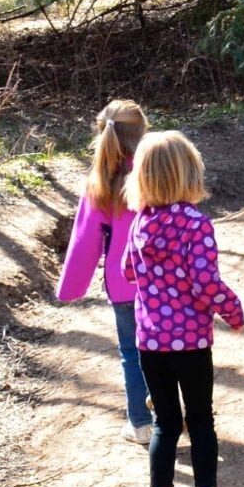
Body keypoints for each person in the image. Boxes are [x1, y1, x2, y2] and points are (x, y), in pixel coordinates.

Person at [123, 130, 244, 487]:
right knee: (201, 421)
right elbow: (205, 283)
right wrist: (232, 309)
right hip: (190, 342)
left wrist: (154, 278)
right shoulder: (195, 223)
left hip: (150, 342)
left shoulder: (140, 221)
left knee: (165, 423)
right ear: (189, 173)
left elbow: (126, 271)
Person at [55, 100, 152, 443]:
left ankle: (140, 424)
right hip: (165, 281)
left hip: (123, 284)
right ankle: (173, 414)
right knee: (168, 348)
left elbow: (84, 240)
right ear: (143, 134)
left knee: (131, 351)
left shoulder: (98, 182)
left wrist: (70, 288)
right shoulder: (158, 174)